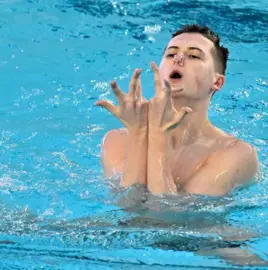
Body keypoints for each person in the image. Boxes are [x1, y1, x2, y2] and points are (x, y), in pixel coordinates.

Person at [96, 24, 259, 197]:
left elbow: (169, 217)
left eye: (194, 56)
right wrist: (139, 133)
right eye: (171, 54)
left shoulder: (236, 154)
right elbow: (128, 205)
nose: (178, 58)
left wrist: (158, 138)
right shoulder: (116, 141)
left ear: (217, 82)